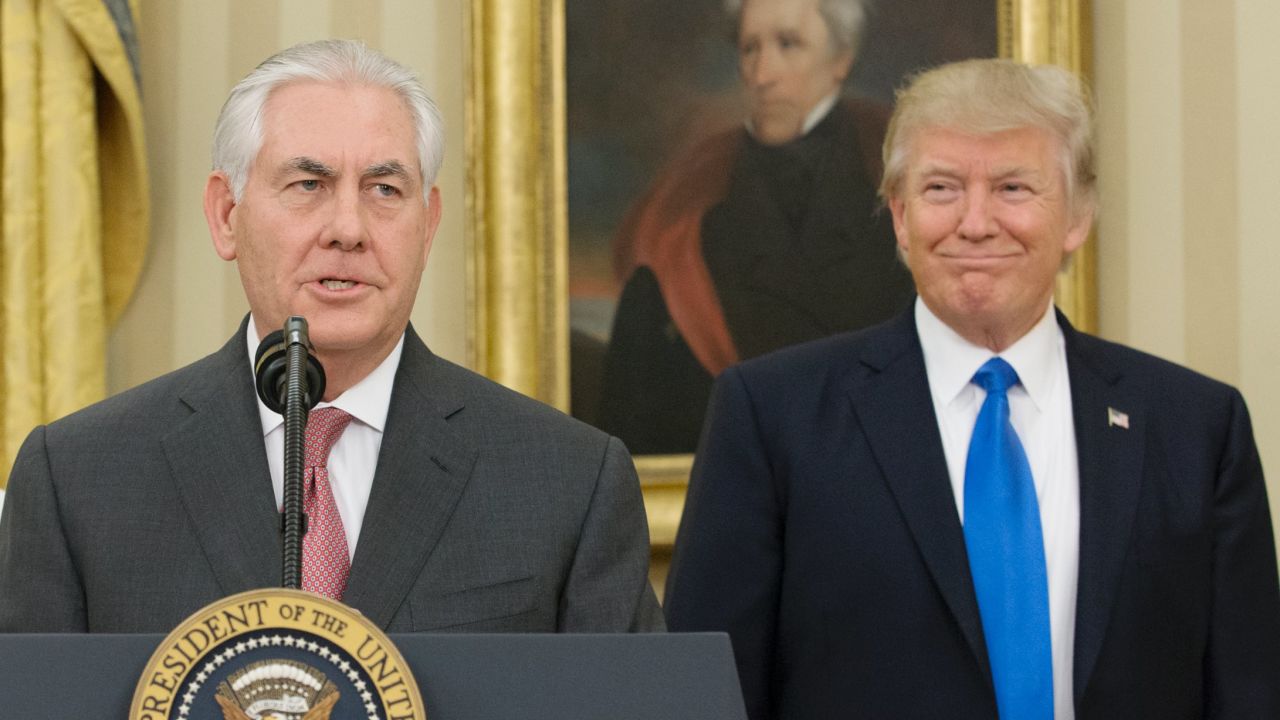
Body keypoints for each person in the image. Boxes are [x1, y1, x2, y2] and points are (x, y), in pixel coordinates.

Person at [664, 58, 1280, 719]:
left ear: (1076, 217)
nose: (976, 222)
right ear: (900, 218)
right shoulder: (772, 417)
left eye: (1013, 188)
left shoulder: (1196, 428)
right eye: (941, 189)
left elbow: (1248, 693)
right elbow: (705, 696)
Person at [0, 40, 663, 635]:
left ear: (427, 226)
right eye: (308, 184)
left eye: (384, 188)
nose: (348, 227)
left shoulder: (569, 481)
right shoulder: (80, 479)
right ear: (226, 215)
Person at [596, 0, 913, 453]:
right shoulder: (685, 208)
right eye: (749, 49)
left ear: (841, 58)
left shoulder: (901, 177)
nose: (763, 74)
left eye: (788, 45)